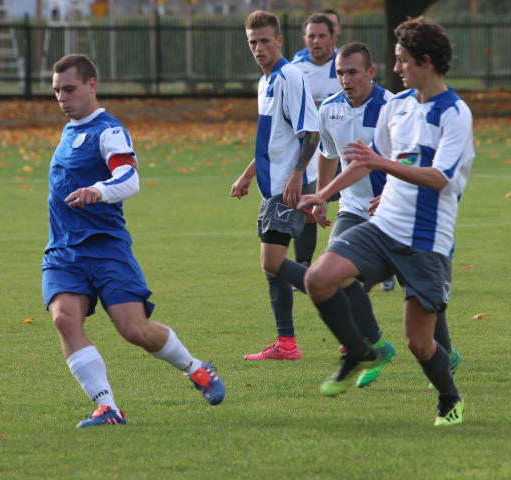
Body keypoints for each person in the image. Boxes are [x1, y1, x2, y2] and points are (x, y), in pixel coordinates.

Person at [298, 17, 473, 426]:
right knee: (318, 278)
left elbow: (440, 178)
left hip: (426, 240)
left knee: (420, 343)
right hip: (382, 227)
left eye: (403, 61)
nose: (397, 69)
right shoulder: (399, 106)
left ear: (425, 62)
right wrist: (323, 194)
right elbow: (366, 162)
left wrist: (383, 163)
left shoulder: (454, 113)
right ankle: (360, 350)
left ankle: (449, 398)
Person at [42, 54, 225, 429]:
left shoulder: (109, 131)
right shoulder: (70, 130)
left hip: (106, 247)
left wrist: (97, 189)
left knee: (134, 330)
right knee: (64, 320)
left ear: (92, 85)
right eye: (57, 91)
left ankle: (197, 369)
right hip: (63, 250)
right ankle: (106, 407)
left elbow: (130, 179)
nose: (62, 97)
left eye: (70, 89)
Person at [231, 10, 320, 361]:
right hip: (274, 187)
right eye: (253, 42)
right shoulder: (264, 82)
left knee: (272, 261)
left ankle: (337, 292)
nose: (258, 48)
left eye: (265, 40)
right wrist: (248, 174)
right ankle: (286, 344)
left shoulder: (289, 76)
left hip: (288, 187)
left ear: (280, 41)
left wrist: (296, 176)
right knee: (273, 264)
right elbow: (274, 141)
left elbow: (310, 133)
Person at [312, 41, 397, 387]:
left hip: (396, 213)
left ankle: (445, 354)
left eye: (352, 72)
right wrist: (321, 196)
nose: (345, 79)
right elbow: (328, 152)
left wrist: (392, 192)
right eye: (340, 73)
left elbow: (408, 158)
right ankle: (374, 346)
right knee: (333, 273)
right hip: (353, 209)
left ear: (370, 72)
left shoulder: (392, 107)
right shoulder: (329, 109)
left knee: (420, 300)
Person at [290, 13, 342, 277]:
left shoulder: (346, 64)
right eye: (311, 36)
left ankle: (379, 264)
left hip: (346, 149)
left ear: (334, 37)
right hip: (312, 150)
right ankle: (303, 265)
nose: (316, 41)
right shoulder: (296, 68)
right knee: (309, 207)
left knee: (360, 205)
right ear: (304, 39)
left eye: (322, 35)